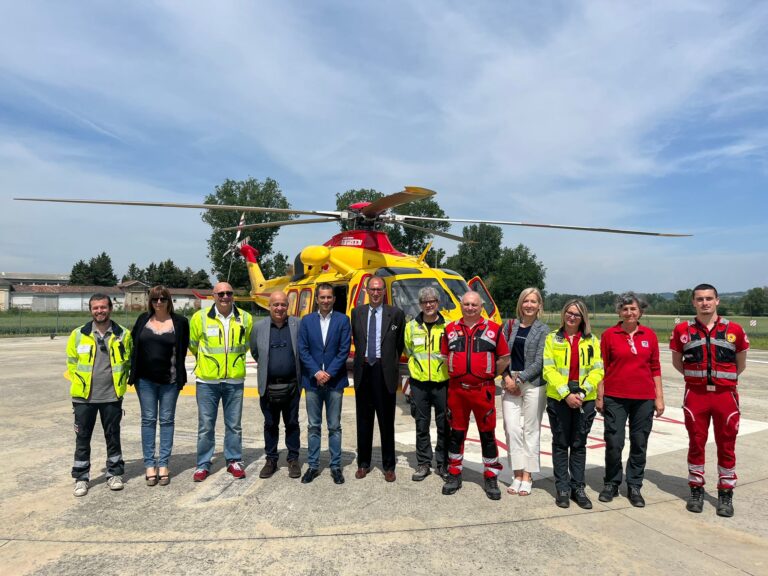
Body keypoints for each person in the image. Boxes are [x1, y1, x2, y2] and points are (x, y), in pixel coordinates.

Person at [670, 283, 749, 518]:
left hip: (725, 396)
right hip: (696, 395)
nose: (704, 303)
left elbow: (740, 362)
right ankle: (696, 489)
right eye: (700, 299)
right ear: (693, 302)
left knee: (727, 445)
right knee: (696, 443)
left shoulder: (733, 328)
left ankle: (725, 493)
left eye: (709, 298)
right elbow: (677, 361)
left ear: (717, 301)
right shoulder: (682, 330)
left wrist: (724, 380)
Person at [440, 290, 510, 500]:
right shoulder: (450, 329)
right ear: (461, 305)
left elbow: (504, 358)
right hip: (457, 390)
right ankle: (454, 473)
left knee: (487, 434)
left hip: (483, 390)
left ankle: (490, 475)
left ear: (481, 307)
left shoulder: (494, 330)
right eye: (466, 304)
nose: (470, 308)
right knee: (457, 433)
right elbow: (445, 358)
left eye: (474, 305)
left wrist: (485, 374)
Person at [597, 292, 663, 508]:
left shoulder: (650, 335)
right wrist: (600, 395)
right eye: (625, 309)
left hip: (644, 397)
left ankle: (634, 485)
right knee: (614, 442)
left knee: (639, 443)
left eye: (633, 309)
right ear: (619, 312)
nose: (629, 312)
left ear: (640, 311)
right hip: (615, 396)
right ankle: (612, 483)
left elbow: (655, 367)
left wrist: (659, 398)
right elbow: (602, 367)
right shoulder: (609, 335)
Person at [66, 294, 132, 497]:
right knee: (82, 438)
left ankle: (114, 473)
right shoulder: (78, 334)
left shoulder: (123, 334)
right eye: (95, 308)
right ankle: (81, 477)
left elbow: (128, 362)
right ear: (90, 310)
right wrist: (82, 383)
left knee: (113, 436)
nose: (99, 311)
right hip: (83, 398)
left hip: (111, 396)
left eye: (103, 307)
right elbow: (72, 362)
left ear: (111, 308)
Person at [542, 299, 604, 509]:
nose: (571, 317)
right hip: (560, 398)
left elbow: (598, 370)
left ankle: (578, 487)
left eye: (576, 314)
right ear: (563, 314)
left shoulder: (592, 341)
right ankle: (562, 488)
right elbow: (548, 369)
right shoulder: (552, 339)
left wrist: (583, 392)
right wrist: (566, 394)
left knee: (578, 445)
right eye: (569, 312)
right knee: (560, 444)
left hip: (583, 399)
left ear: (582, 318)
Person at [189, 282, 253, 482]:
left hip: (234, 380)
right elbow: (193, 344)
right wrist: (209, 365)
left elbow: (247, 344)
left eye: (229, 293)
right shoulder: (200, 318)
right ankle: (203, 463)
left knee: (234, 425)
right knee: (206, 425)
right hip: (207, 381)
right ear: (213, 296)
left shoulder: (245, 318)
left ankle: (233, 460)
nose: (225, 297)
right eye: (221, 293)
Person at [128, 285, 190, 487]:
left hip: (170, 381)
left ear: (169, 300)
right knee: (148, 420)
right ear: (150, 302)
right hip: (145, 381)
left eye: (163, 299)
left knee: (167, 420)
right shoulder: (143, 320)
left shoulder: (180, 322)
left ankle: (163, 464)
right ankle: (149, 464)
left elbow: (182, 350)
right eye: (155, 299)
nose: (159, 302)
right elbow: (132, 344)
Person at [351, 275, 405, 482]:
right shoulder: (357, 313)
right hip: (364, 371)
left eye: (379, 289)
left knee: (386, 422)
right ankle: (363, 463)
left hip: (384, 373)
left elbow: (398, 344)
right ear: (366, 291)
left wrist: (388, 362)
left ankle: (389, 465)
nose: (375, 293)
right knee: (363, 421)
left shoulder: (396, 314)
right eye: (372, 289)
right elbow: (358, 339)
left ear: (384, 291)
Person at [298, 283, 351, 485]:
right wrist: (316, 372)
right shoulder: (307, 321)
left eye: (329, 297)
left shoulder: (343, 320)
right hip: (312, 382)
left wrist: (328, 373)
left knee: (335, 426)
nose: (326, 301)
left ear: (334, 299)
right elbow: (303, 349)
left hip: (335, 382)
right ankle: (313, 465)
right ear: (317, 299)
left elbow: (343, 350)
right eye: (323, 297)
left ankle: (335, 466)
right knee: (313, 426)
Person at [500, 287, 549, 496]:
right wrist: (507, 378)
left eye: (533, 301)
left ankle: (528, 475)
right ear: (520, 304)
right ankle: (517, 472)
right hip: (510, 380)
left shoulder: (543, 330)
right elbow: (501, 356)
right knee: (512, 429)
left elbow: (540, 361)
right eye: (526, 301)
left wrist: (519, 380)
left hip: (533, 384)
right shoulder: (509, 326)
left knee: (531, 430)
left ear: (539, 306)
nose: (529, 305)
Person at [251, 291, 303, 480]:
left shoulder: (298, 325)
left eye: (282, 304)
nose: (279, 308)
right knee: (270, 424)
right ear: (269, 306)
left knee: (292, 423)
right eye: (275, 305)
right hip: (269, 386)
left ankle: (293, 459)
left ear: (287, 306)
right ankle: (271, 459)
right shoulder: (259, 327)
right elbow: (255, 352)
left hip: (292, 386)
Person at [404, 286, 449, 482]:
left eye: (432, 301)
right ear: (420, 305)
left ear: (438, 303)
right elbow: (408, 351)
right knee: (421, 424)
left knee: (444, 424)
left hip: (442, 383)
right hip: (419, 384)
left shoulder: (448, 327)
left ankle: (442, 463)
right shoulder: (411, 327)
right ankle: (423, 463)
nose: (429, 304)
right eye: (425, 302)